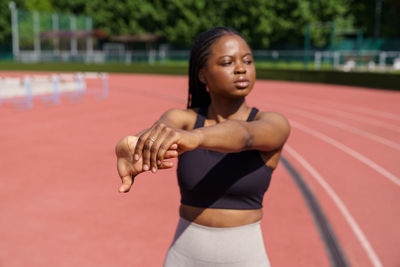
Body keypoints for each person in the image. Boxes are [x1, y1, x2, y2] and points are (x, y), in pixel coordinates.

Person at [115, 26, 290, 267]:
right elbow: (164, 128)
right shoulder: (182, 120)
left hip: (246, 259)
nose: (241, 68)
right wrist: (136, 144)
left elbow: (244, 135)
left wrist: (195, 138)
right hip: (184, 258)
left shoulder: (273, 124)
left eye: (248, 61)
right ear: (203, 75)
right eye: (227, 62)